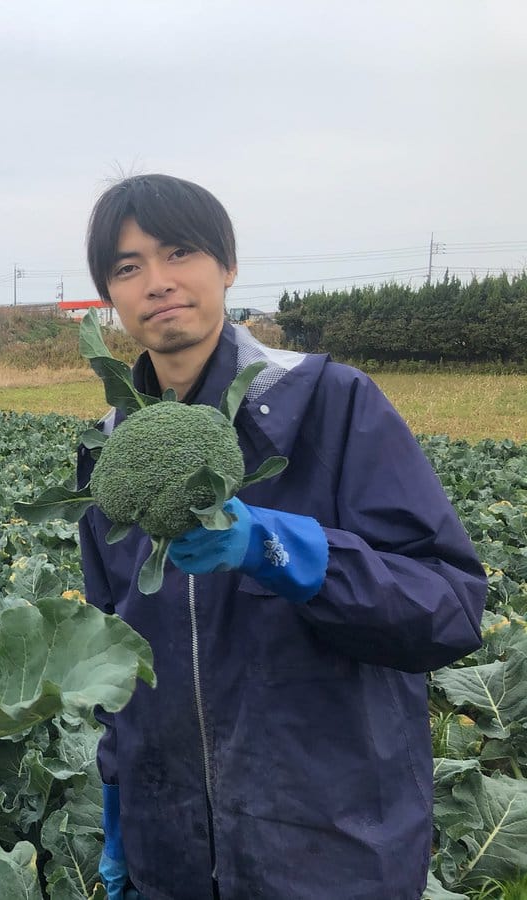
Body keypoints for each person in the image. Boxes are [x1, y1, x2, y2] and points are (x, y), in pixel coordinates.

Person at [79, 175, 487, 900]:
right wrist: (119, 806)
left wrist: (281, 550)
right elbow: (115, 662)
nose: (159, 282)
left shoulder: (332, 404)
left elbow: (449, 609)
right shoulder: (110, 459)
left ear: (228, 265)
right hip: (170, 857)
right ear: (110, 296)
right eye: (128, 266)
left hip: (331, 853)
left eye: (180, 252)